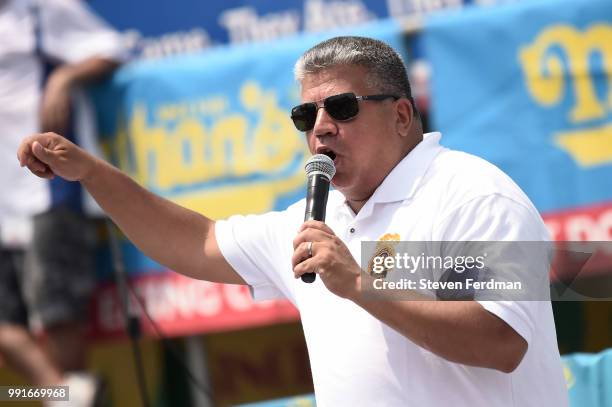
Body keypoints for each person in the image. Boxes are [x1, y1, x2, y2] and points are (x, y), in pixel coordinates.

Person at [17, 36, 568, 406]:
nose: (321, 128)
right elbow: (198, 242)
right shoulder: (315, 222)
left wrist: (359, 285)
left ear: (401, 115)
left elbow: (502, 340)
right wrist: (90, 173)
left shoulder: (476, 194)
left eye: (342, 108)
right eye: (307, 115)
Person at [0, 0, 124, 404]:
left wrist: (65, 76)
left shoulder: (40, 7)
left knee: (58, 313)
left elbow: (112, 46)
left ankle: (69, 391)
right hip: (3, 201)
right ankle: (65, 394)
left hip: (45, 188)